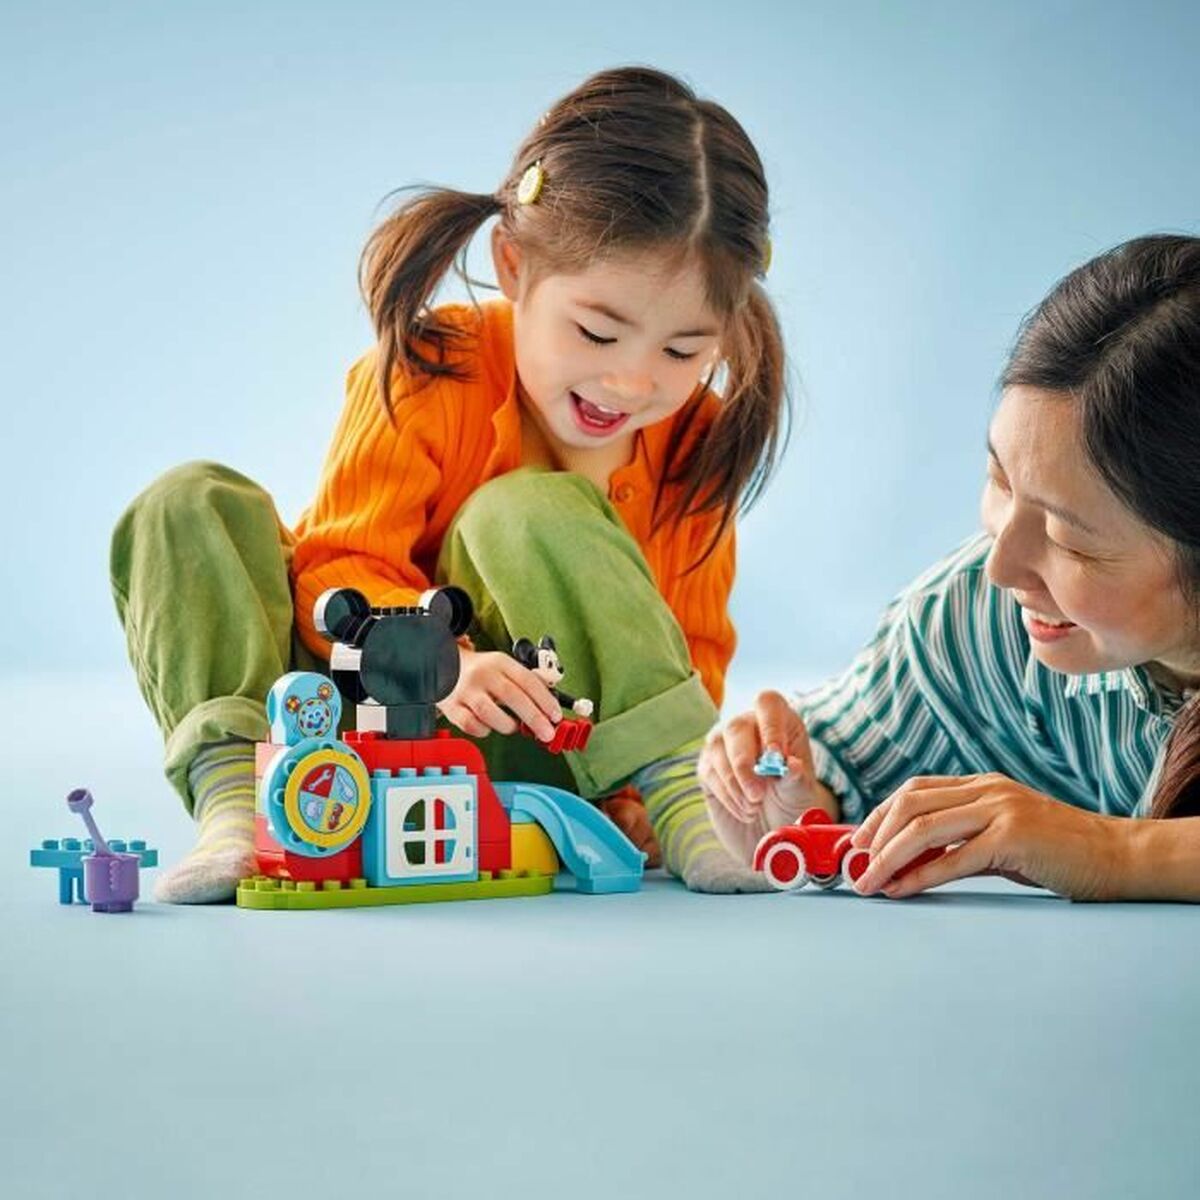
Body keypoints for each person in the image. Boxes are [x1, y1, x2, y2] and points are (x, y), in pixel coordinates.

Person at [110, 65, 789, 902]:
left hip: (524, 742)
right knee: (185, 503)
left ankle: (679, 800)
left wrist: (639, 797)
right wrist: (445, 666)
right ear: (514, 266)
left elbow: (685, 648)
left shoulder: (699, 442)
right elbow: (339, 563)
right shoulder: (434, 366)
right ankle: (240, 802)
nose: (631, 381)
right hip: (332, 729)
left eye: (683, 351)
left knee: (527, 508)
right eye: (595, 332)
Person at [702, 234, 1200, 903]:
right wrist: (793, 804)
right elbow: (839, 763)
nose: (1003, 568)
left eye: (1068, 539)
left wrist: (1114, 851)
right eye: (1000, 481)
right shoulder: (975, 622)